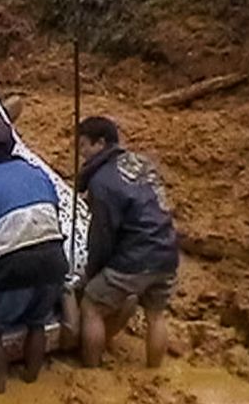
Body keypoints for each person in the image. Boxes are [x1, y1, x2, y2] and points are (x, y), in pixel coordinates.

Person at [0, 119, 70, 392]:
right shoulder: (38, 173)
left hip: (11, 269)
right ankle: (32, 380)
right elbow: (55, 216)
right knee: (37, 322)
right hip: (52, 261)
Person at [76, 116, 180, 369]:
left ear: (100, 143)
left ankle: (90, 370)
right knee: (155, 315)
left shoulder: (102, 182)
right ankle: (154, 372)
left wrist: (92, 272)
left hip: (135, 258)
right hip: (167, 250)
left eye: (83, 147)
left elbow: (102, 235)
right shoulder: (142, 163)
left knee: (91, 304)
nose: (81, 155)